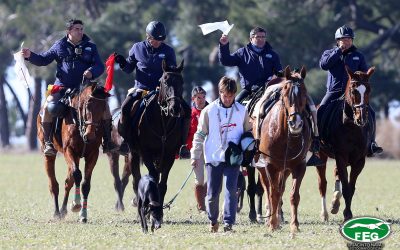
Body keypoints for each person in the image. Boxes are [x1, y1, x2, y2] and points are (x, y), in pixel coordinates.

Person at [21, 19, 117, 156]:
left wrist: (92, 71)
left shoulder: (91, 47)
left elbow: (100, 66)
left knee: (104, 105)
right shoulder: (59, 45)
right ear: (69, 31)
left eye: (81, 29)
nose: (80, 31)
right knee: (48, 105)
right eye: (77, 29)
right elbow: (43, 60)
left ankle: (107, 141)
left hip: (85, 88)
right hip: (62, 87)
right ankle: (48, 143)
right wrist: (30, 56)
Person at [114, 20, 191, 158]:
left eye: (161, 40)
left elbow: (171, 72)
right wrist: (122, 62)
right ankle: (125, 141)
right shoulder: (137, 48)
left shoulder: (168, 51)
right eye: (155, 40)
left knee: (186, 109)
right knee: (125, 107)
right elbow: (128, 69)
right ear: (148, 37)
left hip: (162, 91)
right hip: (141, 89)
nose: (158, 43)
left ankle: (182, 145)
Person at [190, 76, 252, 233]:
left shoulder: (241, 110)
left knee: (232, 190)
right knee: (213, 193)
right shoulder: (209, 111)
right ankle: (212, 220)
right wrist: (195, 154)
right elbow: (200, 134)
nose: (228, 99)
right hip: (213, 157)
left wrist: (249, 151)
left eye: (231, 96)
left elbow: (248, 132)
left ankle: (228, 222)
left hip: (233, 157)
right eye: (226, 95)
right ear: (220, 92)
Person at [319, 25, 383, 156]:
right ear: (338, 41)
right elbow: (324, 65)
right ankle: (316, 143)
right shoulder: (329, 53)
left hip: (354, 94)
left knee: (371, 112)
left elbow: (365, 74)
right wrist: (338, 52)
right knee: (320, 111)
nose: (346, 42)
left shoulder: (358, 56)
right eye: (343, 39)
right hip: (334, 91)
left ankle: (372, 143)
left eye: (349, 39)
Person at [219, 26, 282, 103]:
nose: (261, 39)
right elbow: (226, 61)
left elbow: (279, 72)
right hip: (249, 92)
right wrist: (223, 46)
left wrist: (272, 80)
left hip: (270, 90)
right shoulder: (242, 53)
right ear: (251, 39)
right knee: (233, 106)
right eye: (258, 37)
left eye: (263, 37)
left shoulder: (273, 55)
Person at [187, 86, 209, 212]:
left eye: (203, 97)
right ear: (193, 99)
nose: (201, 100)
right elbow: (187, 134)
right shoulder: (190, 114)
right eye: (198, 98)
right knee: (199, 179)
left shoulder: (211, 110)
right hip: (196, 151)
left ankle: (203, 196)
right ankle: (201, 207)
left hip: (211, 149)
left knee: (213, 177)